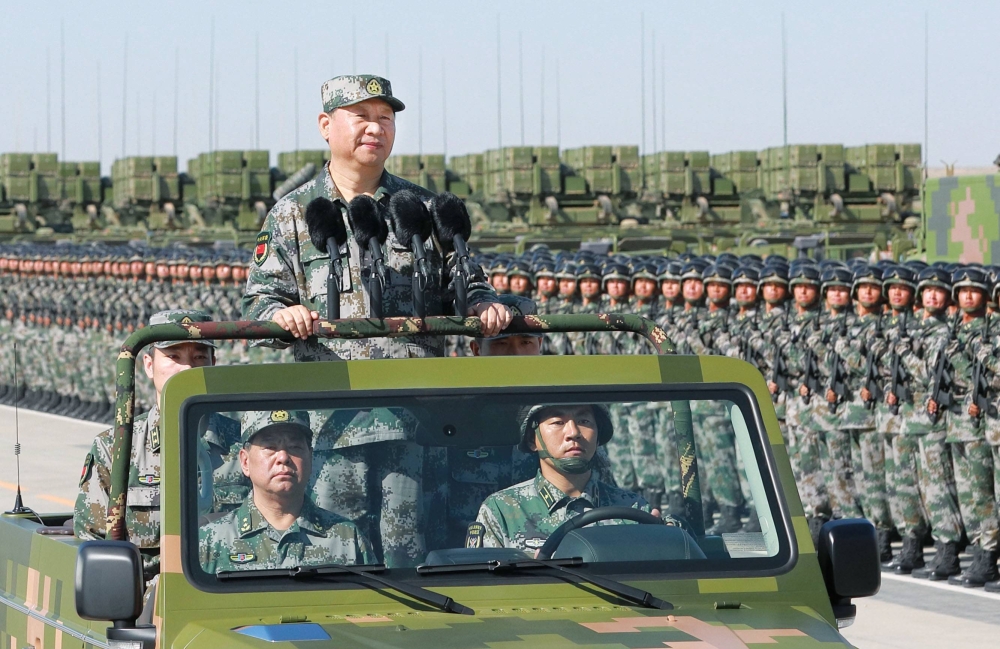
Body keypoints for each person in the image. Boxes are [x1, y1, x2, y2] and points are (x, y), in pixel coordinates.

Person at [241, 74, 510, 360]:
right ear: (325, 125)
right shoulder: (292, 213)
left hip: (414, 393)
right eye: (361, 116)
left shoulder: (425, 208)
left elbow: (468, 282)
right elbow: (259, 304)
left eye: (385, 118)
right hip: (331, 395)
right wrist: (283, 316)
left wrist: (482, 303)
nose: (375, 128)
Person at [74, 310, 248, 579]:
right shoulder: (116, 449)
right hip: (150, 603)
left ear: (214, 363)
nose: (188, 368)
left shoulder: (246, 445)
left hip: (231, 593)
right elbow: (96, 542)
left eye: (199, 357)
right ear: (148, 365)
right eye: (173, 356)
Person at [469, 403, 659, 553]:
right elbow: (487, 590)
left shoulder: (632, 509)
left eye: (584, 421)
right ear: (531, 439)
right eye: (558, 422)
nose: (573, 432)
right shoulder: (502, 510)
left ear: (598, 436)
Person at [200, 410, 374, 573]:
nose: (283, 457)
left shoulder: (347, 539)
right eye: (270, 447)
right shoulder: (211, 542)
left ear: (310, 457)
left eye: (295, 447)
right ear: (245, 462)